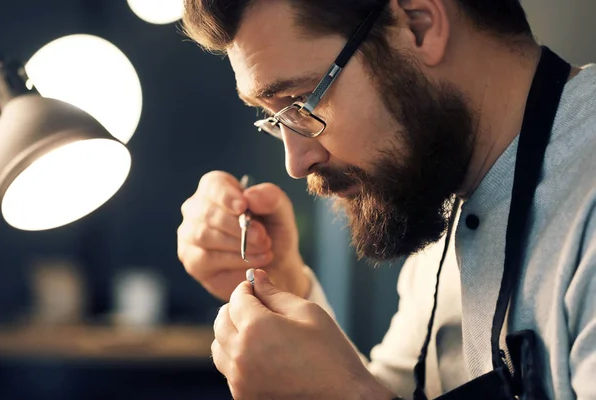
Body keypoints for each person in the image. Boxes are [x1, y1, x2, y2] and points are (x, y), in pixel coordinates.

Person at [176, 0, 596, 398]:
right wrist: (285, 283)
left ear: (419, 24)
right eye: (274, 118)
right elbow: (385, 391)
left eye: (302, 102)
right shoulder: (443, 190)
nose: (296, 162)